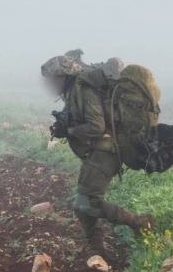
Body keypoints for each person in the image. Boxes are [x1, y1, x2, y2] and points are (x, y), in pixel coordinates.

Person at [41, 56, 155, 254]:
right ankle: (97, 250)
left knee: (86, 202)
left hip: (107, 151)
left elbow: (96, 126)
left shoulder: (83, 90)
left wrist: (69, 132)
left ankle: (138, 222)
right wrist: (63, 126)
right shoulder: (72, 91)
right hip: (99, 151)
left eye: (52, 79)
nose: (50, 84)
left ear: (63, 76)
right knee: (83, 203)